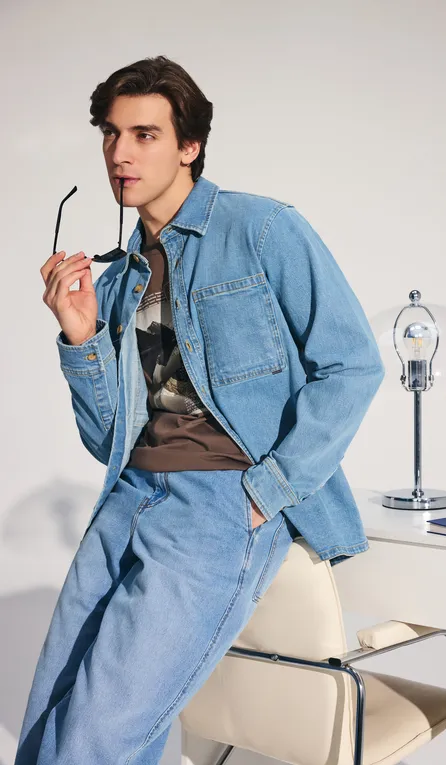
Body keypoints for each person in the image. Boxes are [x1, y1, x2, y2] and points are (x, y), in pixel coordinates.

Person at [15, 55, 385, 764]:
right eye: (111, 133)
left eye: (145, 134)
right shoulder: (120, 279)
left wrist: (266, 491)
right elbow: (108, 437)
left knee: (91, 740)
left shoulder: (262, 230)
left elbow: (351, 365)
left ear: (190, 145)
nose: (120, 154)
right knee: (49, 725)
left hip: (218, 504)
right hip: (128, 495)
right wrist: (81, 337)